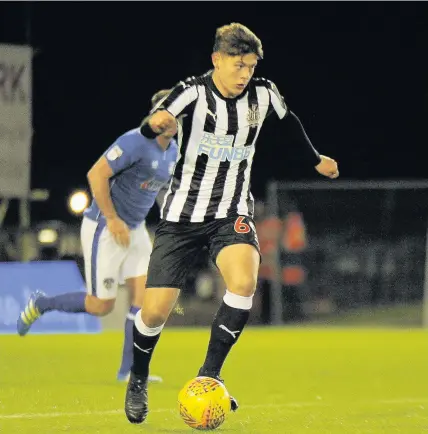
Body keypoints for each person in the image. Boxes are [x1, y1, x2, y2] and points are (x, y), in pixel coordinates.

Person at [124, 22, 339, 424]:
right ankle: (137, 378)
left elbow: (289, 120)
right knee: (154, 313)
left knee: (243, 283)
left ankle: (209, 375)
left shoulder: (263, 93)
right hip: (181, 218)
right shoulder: (192, 91)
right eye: (238, 66)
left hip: (231, 212)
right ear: (216, 60)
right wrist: (158, 124)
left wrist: (316, 159)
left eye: (251, 67)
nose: (245, 75)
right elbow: (150, 122)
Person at [17, 89, 178, 384]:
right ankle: (41, 305)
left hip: (136, 229)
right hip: (105, 227)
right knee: (101, 305)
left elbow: (158, 189)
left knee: (142, 300)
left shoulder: (174, 150)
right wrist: (114, 219)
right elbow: (96, 175)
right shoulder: (134, 142)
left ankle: (129, 371)